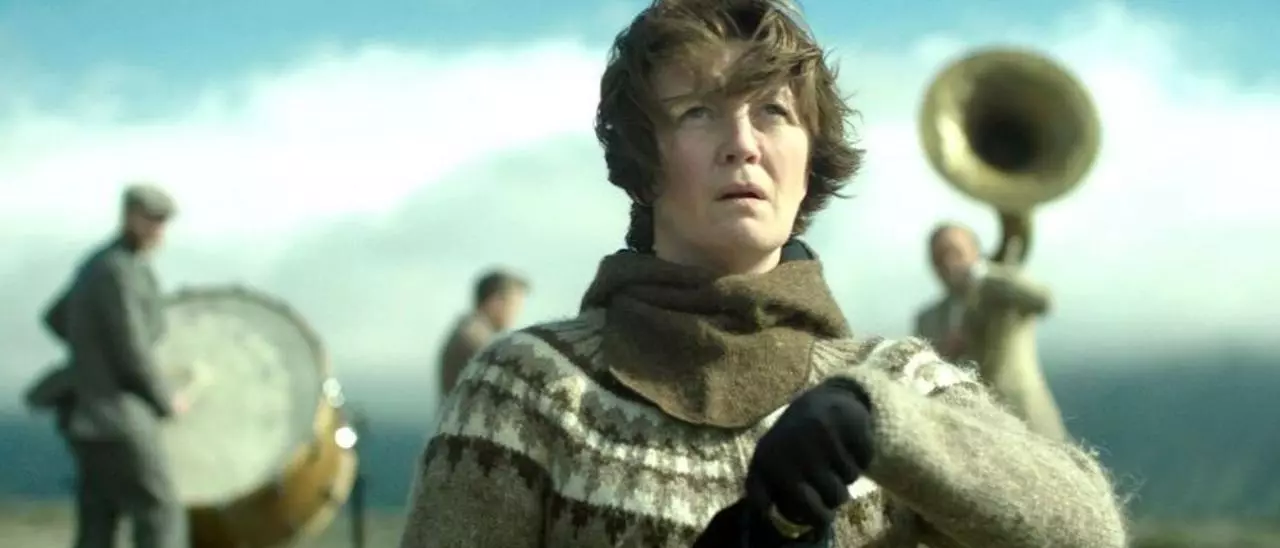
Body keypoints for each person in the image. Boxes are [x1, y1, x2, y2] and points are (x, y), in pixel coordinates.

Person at [399, 1, 1126, 546]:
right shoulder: (521, 389)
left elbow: (1091, 530)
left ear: (810, 162)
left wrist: (884, 427)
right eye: (697, 112)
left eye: (773, 111)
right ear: (642, 163)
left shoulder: (897, 383)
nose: (742, 144)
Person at [43, 183, 190, 548]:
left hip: (86, 417)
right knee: (160, 511)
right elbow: (131, 348)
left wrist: (89, 350)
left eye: (163, 222)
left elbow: (56, 317)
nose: (159, 230)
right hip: (118, 417)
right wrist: (165, 399)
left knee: (99, 517)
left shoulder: (96, 265)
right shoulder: (118, 271)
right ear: (130, 218)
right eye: (152, 220)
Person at [914, 221, 1068, 440]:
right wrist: (942, 354)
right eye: (939, 258)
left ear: (975, 252)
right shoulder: (926, 318)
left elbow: (1043, 301)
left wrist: (984, 273)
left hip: (1026, 419)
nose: (948, 263)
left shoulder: (1003, 290)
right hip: (969, 431)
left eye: (955, 252)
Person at [436, 268, 528, 397]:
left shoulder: (470, 332)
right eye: (514, 305)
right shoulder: (476, 340)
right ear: (496, 302)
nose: (517, 313)